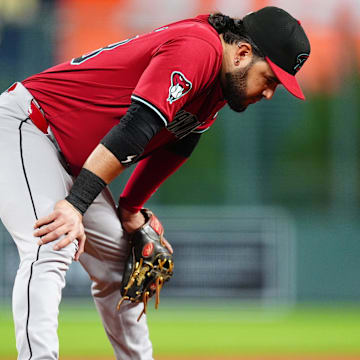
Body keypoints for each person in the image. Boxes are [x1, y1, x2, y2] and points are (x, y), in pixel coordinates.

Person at [0, 6, 310, 360]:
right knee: (52, 242)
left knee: (122, 265)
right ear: (242, 53)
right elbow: (138, 126)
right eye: (270, 79)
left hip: (74, 159)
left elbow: (178, 145)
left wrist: (131, 209)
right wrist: (75, 205)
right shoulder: (199, 48)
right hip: (28, 126)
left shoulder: (218, 87)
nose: (269, 93)